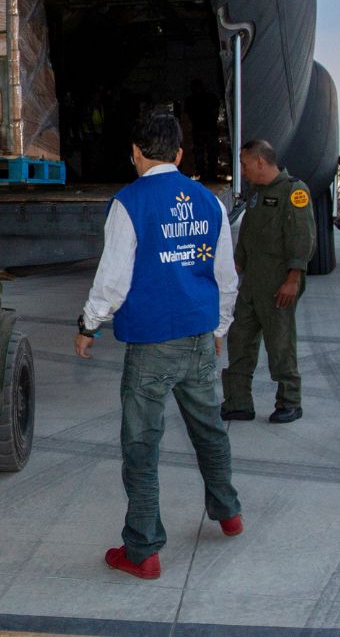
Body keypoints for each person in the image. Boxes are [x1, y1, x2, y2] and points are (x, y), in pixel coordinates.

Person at [75, 110, 243, 581]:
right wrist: (219, 331)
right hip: (198, 336)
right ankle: (228, 512)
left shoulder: (130, 203)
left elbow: (113, 280)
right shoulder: (211, 202)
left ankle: (143, 549)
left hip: (151, 346)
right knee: (210, 430)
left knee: (142, 446)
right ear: (180, 154)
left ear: (135, 153)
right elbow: (225, 277)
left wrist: (89, 324)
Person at [220, 139, 316, 424]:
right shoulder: (256, 193)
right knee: (240, 342)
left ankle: (289, 401)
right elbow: (248, 231)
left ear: (260, 161)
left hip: (278, 283)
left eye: (245, 163)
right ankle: (238, 402)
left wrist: (293, 278)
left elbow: (303, 238)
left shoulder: (294, 191)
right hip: (252, 283)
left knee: (280, 344)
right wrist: (237, 263)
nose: (243, 169)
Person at [183, 78, 220, 181]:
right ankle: (205, 173)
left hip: (206, 129)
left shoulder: (208, 98)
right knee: (202, 153)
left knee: (209, 153)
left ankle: (210, 174)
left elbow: (215, 111)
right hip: (202, 129)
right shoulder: (193, 100)